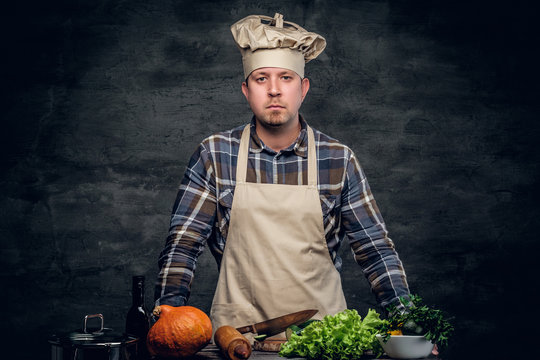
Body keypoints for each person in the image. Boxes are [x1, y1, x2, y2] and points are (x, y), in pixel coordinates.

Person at [154, 13, 410, 338]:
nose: (274, 90)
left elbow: (374, 250)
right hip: (238, 343)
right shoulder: (214, 155)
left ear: (303, 88)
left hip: (321, 344)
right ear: (246, 90)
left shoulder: (338, 159)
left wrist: (409, 323)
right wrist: (166, 325)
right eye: (261, 79)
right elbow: (183, 247)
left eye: (285, 78)